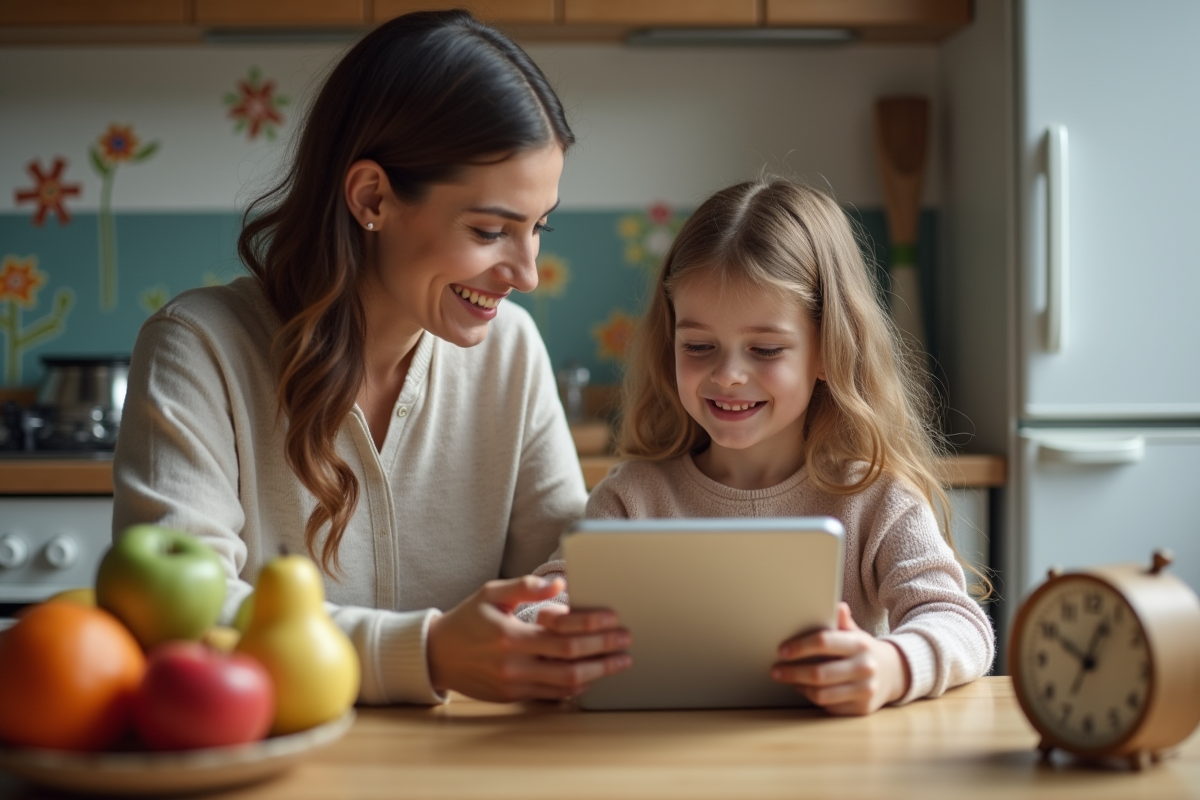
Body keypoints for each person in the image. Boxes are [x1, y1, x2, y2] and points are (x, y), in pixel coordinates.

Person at [112, 10, 631, 706]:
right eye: (489, 230)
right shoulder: (199, 348)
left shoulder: (511, 350)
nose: (527, 273)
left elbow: (566, 564)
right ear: (372, 198)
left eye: (538, 228)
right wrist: (426, 654)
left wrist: (540, 625)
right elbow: (174, 618)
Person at [526, 178, 994, 715]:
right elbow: (542, 607)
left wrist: (891, 667)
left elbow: (959, 622)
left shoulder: (876, 496)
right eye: (699, 346)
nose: (727, 376)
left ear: (828, 352)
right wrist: (548, 633)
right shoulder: (633, 497)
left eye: (766, 349)